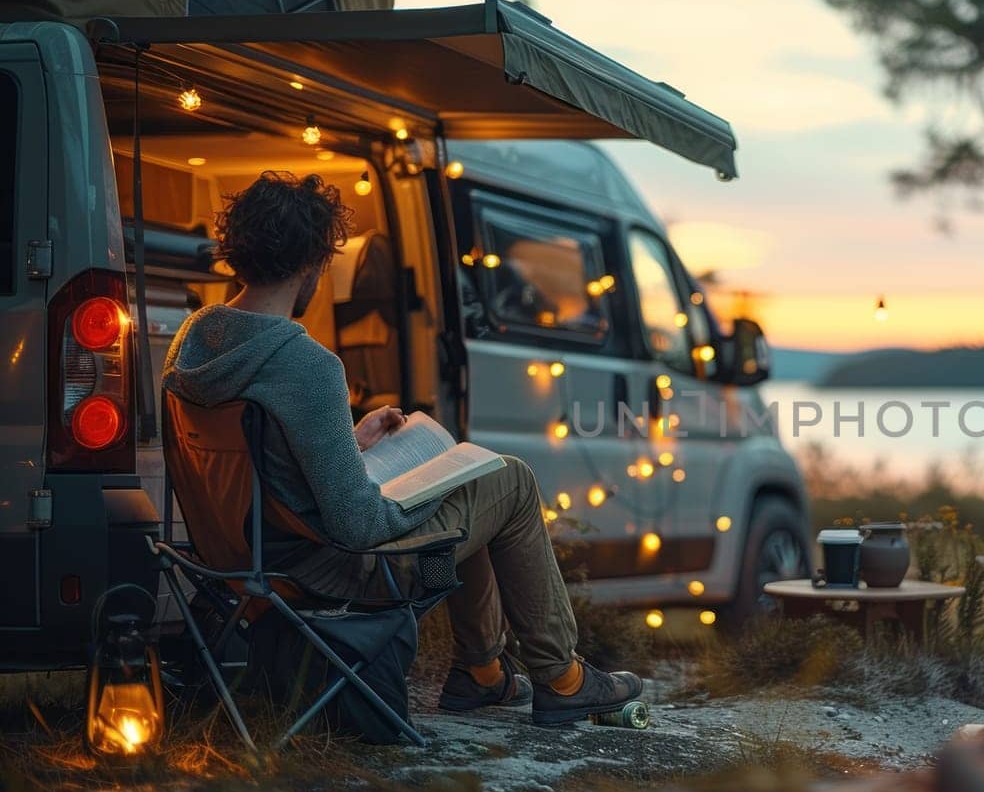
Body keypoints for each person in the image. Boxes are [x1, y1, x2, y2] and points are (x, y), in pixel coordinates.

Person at [163, 171, 641, 724]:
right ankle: (561, 677)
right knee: (506, 479)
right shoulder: (306, 365)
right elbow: (360, 527)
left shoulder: (193, 343)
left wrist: (351, 441)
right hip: (336, 574)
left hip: (236, 560)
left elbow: (261, 461)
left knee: (474, 488)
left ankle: (484, 675)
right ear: (313, 262)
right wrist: (428, 485)